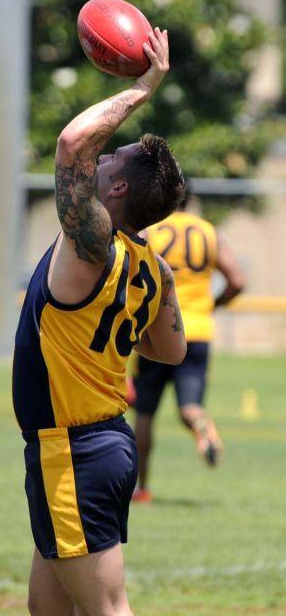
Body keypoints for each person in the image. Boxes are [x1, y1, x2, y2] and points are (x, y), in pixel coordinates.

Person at [13, 27, 187, 616]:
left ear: (114, 195)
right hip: (104, 443)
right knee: (52, 607)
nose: (100, 161)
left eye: (109, 164)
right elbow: (169, 349)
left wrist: (141, 89)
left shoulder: (92, 245)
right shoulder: (152, 270)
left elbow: (68, 144)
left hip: (72, 451)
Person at [130, 185, 246, 504]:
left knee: (144, 413)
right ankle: (201, 425)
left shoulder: (150, 232)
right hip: (197, 330)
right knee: (189, 406)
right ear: (191, 199)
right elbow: (237, 280)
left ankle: (141, 487)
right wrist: (213, 305)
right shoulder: (208, 232)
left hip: (156, 331)